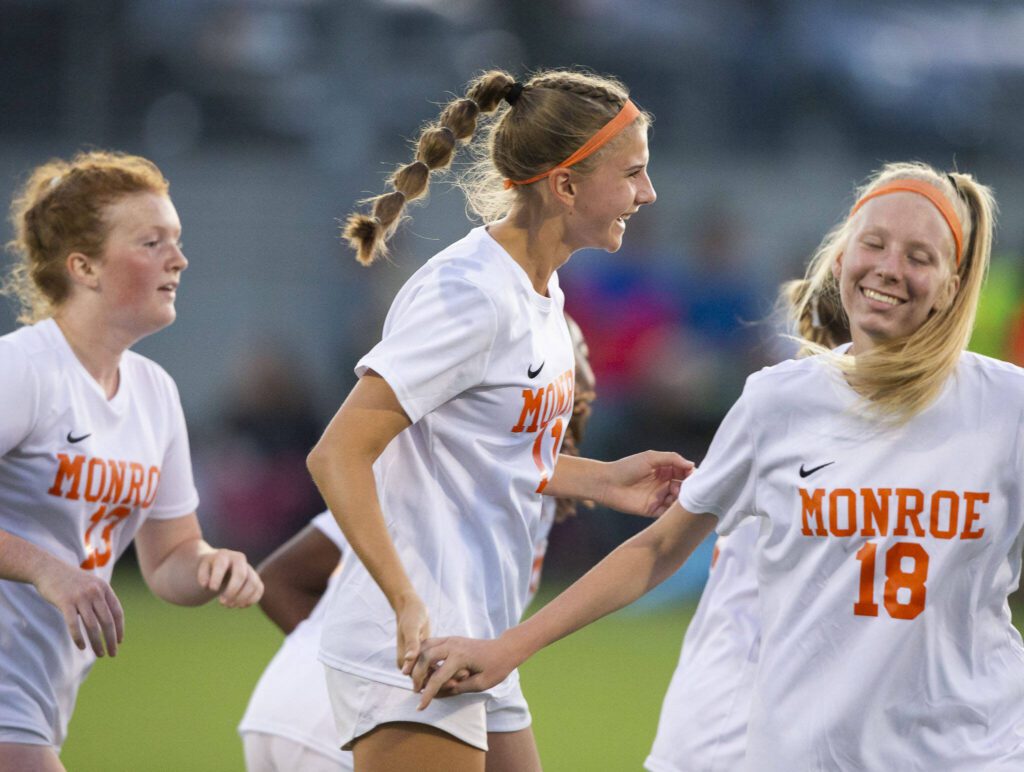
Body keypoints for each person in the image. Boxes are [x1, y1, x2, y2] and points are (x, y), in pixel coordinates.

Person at [412, 162, 1021, 771]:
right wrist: (507, 648)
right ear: (840, 259)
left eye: (921, 256)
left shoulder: (1006, 410)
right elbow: (656, 551)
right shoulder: (779, 402)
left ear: (951, 285)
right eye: (875, 243)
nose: (891, 267)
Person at [306, 68, 690, 772]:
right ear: (565, 186)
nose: (647, 193)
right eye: (632, 172)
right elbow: (337, 454)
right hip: (416, 646)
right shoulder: (469, 294)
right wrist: (405, 602)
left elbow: (489, 448)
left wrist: (603, 479)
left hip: (482, 631)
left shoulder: (541, 292)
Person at [239, 314, 597, 772]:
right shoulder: (446, 471)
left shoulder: (516, 484)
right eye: (574, 347)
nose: (582, 360)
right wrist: (336, 673)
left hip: (314, 708)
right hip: (359, 713)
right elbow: (281, 578)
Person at [0, 150, 263, 771]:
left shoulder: (154, 392)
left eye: (177, 240)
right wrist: (47, 569)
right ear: (83, 266)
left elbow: (169, 559)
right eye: (152, 242)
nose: (179, 259)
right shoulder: (24, 370)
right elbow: (53, 566)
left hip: (36, 701)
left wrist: (210, 566)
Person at [644, 295, 851, 772]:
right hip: (736, 720)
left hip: (733, 710)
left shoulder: (794, 432)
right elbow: (658, 546)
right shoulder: (797, 438)